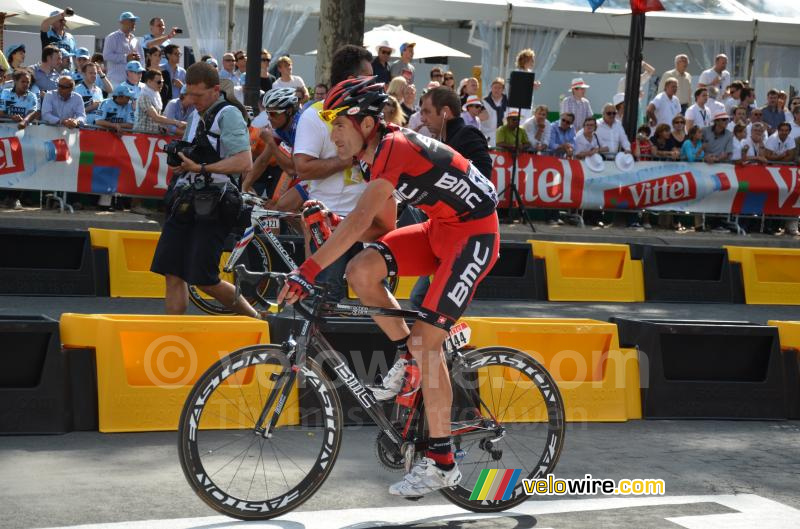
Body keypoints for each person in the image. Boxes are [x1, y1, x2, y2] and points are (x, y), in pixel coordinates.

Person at [278, 76, 500, 497]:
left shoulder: (394, 149)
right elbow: (384, 226)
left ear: (364, 123)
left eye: (338, 125)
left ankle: (442, 463)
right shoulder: (370, 158)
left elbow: (365, 222)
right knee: (361, 272)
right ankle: (408, 354)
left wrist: (307, 269)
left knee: (427, 344)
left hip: (473, 237)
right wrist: (333, 220)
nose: (333, 135)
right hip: (439, 230)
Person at [150, 61, 258, 317]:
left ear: (215, 90)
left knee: (204, 278)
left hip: (215, 204)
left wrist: (200, 168)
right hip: (188, 198)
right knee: (172, 270)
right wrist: (183, 164)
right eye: (189, 95)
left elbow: (245, 162)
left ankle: (256, 320)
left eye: (198, 95)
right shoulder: (198, 113)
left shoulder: (228, 114)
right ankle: (172, 334)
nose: (192, 101)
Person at [290, 44, 373, 302]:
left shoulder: (371, 112)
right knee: (324, 301)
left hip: (368, 223)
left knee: (372, 305)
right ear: (352, 80)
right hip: (326, 225)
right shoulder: (315, 115)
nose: (374, 85)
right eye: (368, 78)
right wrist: (347, 160)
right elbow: (302, 168)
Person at [243, 88, 300, 194]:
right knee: (276, 204)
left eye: (273, 114)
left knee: (282, 206)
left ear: (289, 111)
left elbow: (292, 170)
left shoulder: (300, 127)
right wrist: (244, 188)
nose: (269, 118)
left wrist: (270, 142)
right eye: (267, 113)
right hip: (303, 171)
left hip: (321, 173)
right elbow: (263, 160)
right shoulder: (279, 127)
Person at [135, 69, 185, 133]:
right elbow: (156, 118)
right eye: (159, 82)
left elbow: (156, 119)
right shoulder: (144, 96)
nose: (162, 84)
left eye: (162, 82)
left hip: (151, 136)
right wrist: (177, 122)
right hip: (141, 136)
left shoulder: (155, 95)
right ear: (149, 81)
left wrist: (161, 127)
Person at [104, 12, 145, 86]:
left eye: (134, 21)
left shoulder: (135, 40)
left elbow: (142, 60)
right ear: (122, 22)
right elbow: (106, 55)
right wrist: (126, 58)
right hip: (116, 81)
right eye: (131, 21)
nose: (134, 23)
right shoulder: (112, 37)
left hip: (133, 83)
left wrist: (137, 60)